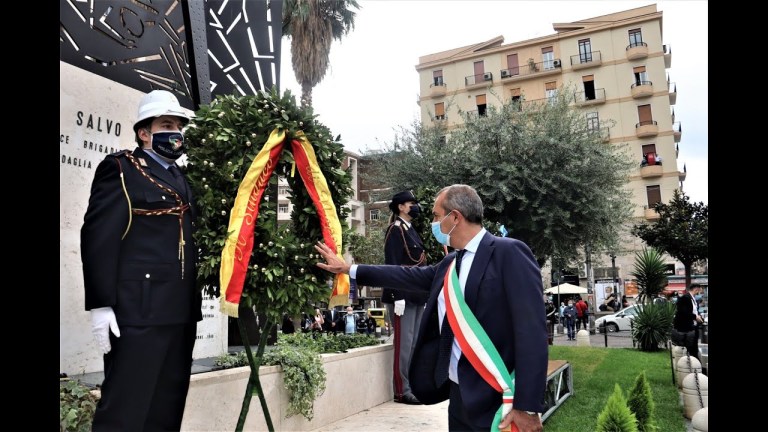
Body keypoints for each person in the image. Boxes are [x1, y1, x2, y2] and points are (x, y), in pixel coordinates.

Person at [315, 184, 546, 432]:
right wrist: (349, 269)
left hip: (496, 395)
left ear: (455, 217)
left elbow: (532, 333)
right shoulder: (449, 264)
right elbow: (405, 276)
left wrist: (528, 407)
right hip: (458, 395)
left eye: (437, 216)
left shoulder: (508, 252)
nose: (433, 223)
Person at [81, 90, 199, 431]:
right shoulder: (120, 169)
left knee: (167, 408)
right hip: (138, 312)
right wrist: (101, 305)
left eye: (178, 125)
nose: (175, 132)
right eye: (166, 124)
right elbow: (98, 237)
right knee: (126, 409)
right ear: (144, 133)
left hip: (180, 312)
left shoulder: (182, 179)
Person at [382, 190, 430, 405]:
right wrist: (396, 295)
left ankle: (413, 386)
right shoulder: (395, 230)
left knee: (414, 345)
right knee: (404, 345)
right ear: (401, 206)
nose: (415, 206)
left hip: (417, 296)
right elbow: (392, 264)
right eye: (412, 203)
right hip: (402, 298)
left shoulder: (411, 230)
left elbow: (419, 265)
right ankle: (402, 391)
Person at [672, 283, 705, 360]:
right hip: (686, 328)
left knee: (694, 348)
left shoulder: (693, 299)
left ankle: (695, 364)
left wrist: (698, 316)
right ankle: (691, 364)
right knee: (690, 348)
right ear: (695, 289)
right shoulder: (685, 298)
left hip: (693, 326)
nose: (699, 292)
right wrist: (695, 317)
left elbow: (694, 311)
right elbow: (683, 312)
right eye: (699, 290)